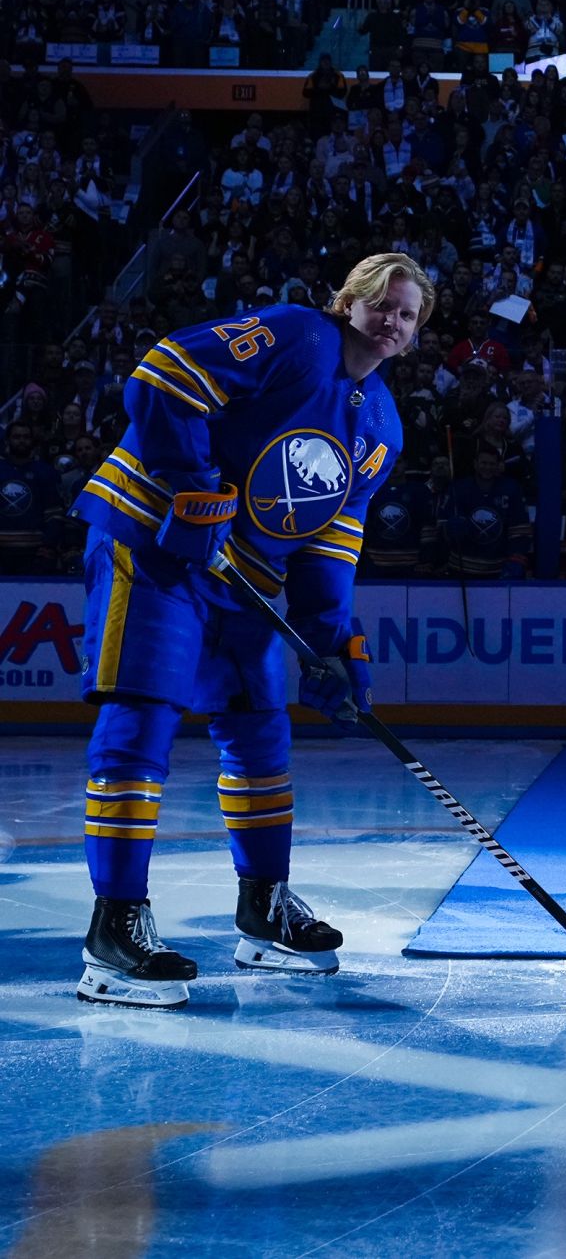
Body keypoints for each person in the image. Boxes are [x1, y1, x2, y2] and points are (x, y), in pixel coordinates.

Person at [67, 252, 437, 1008]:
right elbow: (166, 372)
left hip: (243, 583)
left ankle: (264, 910)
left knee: (262, 734)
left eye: (409, 314)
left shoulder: (383, 427)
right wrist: (192, 486)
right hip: (156, 545)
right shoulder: (300, 336)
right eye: (383, 304)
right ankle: (114, 930)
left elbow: (330, 541)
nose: (393, 321)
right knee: (140, 719)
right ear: (348, 302)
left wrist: (331, 643)